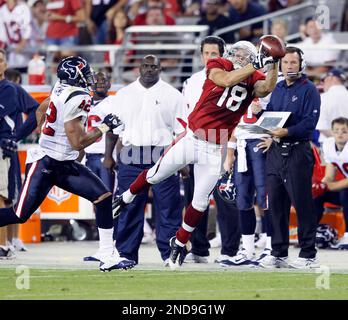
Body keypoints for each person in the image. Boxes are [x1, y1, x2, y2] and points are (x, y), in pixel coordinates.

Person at [112, 40, 279, 268]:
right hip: (193, 137)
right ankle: (126, 197)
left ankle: (179, 244)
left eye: (246, 55)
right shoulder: (219, 64)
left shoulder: (252, 76)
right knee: (155, 175)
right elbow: (226, 80)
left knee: (200, 202)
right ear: (231, 53)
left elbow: (266, 88)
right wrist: (254, 66)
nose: (241, 57)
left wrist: (275, 63)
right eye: (239, 53)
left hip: (215, 146)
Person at [0, 55, 135, 272]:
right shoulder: (77, 97)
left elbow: (41, 110)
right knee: (19, 215)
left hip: (64, 162)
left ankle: (107, 254)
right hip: (45, 163)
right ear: (75, 77)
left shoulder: (60, 87)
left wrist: (46, 132)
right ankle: (107, 253)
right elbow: (77, 141)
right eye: (85, 74)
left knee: (102, 197)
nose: (89, 77)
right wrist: (104, 127)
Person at [103, 54, 186, 266]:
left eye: (154, 67)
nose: (150, 70)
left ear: (160, 69)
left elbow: (182, 132)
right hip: (131, 153)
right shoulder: (123, 94)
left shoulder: (173, 95)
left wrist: (182, 161)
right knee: (129, 205)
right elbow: (112, 129)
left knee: (168, 207)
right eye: (146, 66)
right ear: (139, 68)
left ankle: (170, 255)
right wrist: (108, 156)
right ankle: (126, 254)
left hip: (162, 153)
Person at [258, 46, 321, 269]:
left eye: (293, 62)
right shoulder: (278, 88)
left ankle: (308, 254)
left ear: (301, 65)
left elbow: (309, 125)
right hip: (276, 151)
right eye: (285, 63)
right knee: (275, 205)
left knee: (302, 204)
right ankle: (278, 252)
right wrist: (261, 118)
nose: (289, 66)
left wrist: (287, 132)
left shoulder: (309, 89)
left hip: (297, 150)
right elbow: (274, 117)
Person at [181, 35, 241, 264]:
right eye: (205, 53)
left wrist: (231, 147)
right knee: (195, 198)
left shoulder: (234, 76)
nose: (208, 58)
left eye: (213, 54)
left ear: (222, 54)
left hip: (222, 140)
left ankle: (230, 251)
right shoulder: (192, 81)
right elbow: (186, 115)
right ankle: (199, 249)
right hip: (196, 141)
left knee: (225, 196)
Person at [221, 97, 272, 267]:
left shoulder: (274, 85)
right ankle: (248, 250)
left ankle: (272, 249)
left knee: (266, 199)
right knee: (243, 200)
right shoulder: (241, 87)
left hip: (263, 143)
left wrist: (274, 138)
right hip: (242, 145)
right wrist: (230, 152)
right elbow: (236, 123)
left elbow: (284, 114)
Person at [0, 48, 38, 258]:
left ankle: (5, 243)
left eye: (0, 60)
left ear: (6, 64)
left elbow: (37, 111)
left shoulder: (10, 89)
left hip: (2, 147)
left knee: (5, 195)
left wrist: (17, 136)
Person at [313, 117, 348, 250]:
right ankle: (310, 234)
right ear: (332, 132)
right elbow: (330, 170)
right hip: (343, 186)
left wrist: (332, 186)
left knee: (345, 193)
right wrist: (323, 183)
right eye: (337, 130)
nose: (340, 133)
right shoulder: (328, 144)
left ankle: (347, 235)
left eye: (344, 131)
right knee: (317, 195)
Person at [316, 68, 348, 144]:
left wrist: (339, 142)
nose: (322, 84)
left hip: (329, 145)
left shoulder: (322, 98)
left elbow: (322, 126)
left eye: (323, 81)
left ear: (330, 78)